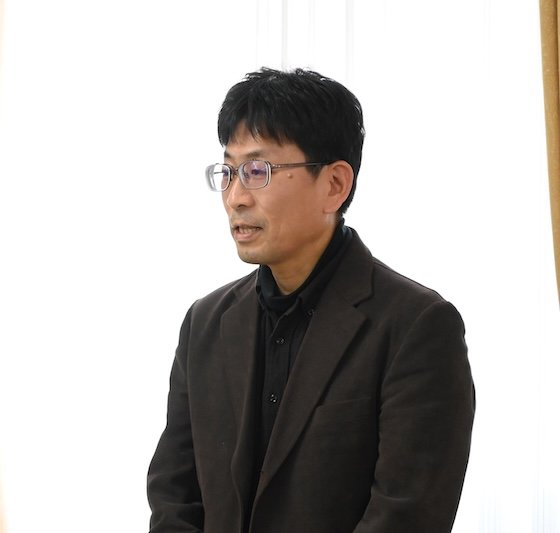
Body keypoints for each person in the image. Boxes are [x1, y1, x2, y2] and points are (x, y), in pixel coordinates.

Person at [146, 68, 475, 533]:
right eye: (228, 172)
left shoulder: (417, 326)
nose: (235, 197)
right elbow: (174, 495)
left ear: (334, 185)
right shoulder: (205, 322)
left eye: (257, 171)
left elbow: (407, 515)